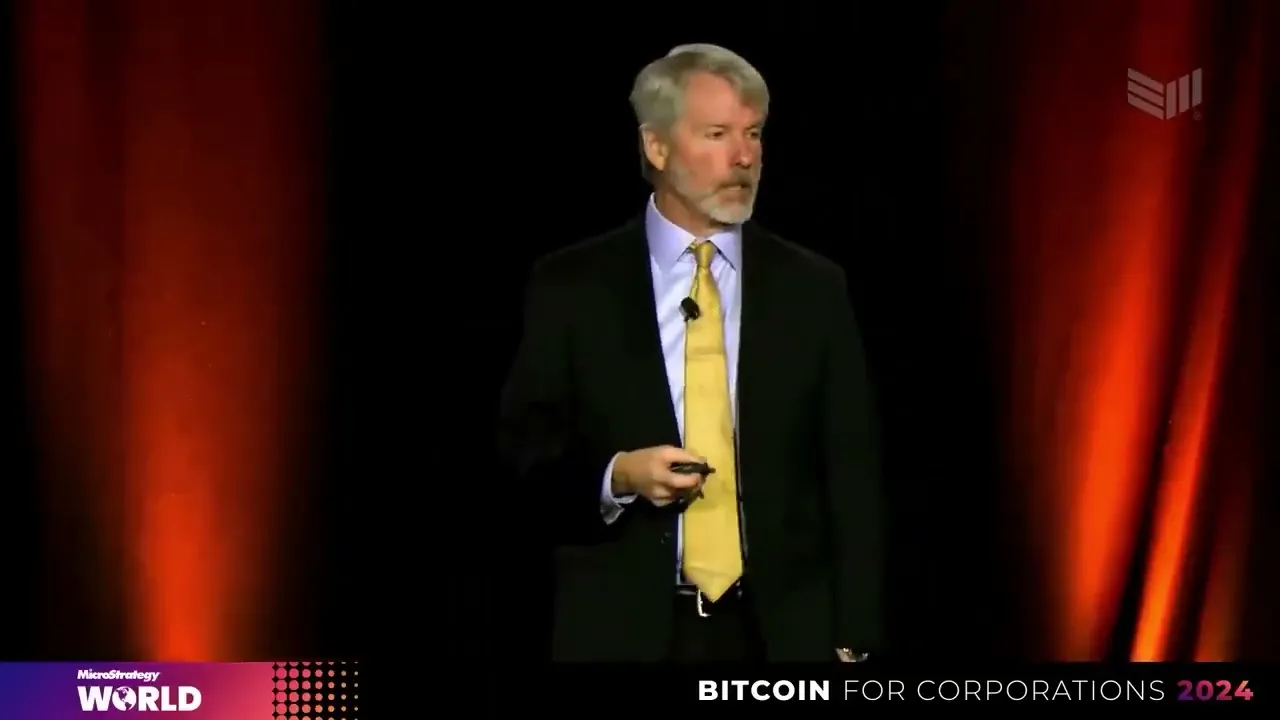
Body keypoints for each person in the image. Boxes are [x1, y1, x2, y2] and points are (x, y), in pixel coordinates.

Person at [499, 43, 884, 662]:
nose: (744, 157)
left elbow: (853, 470)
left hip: (780, 637)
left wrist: (855, 634)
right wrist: (619, 476)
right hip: (623, 635)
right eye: (717, 134)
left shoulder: (813, 288)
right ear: (656, 147)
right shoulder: (572, 286)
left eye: (753, 134)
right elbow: (522, 457)